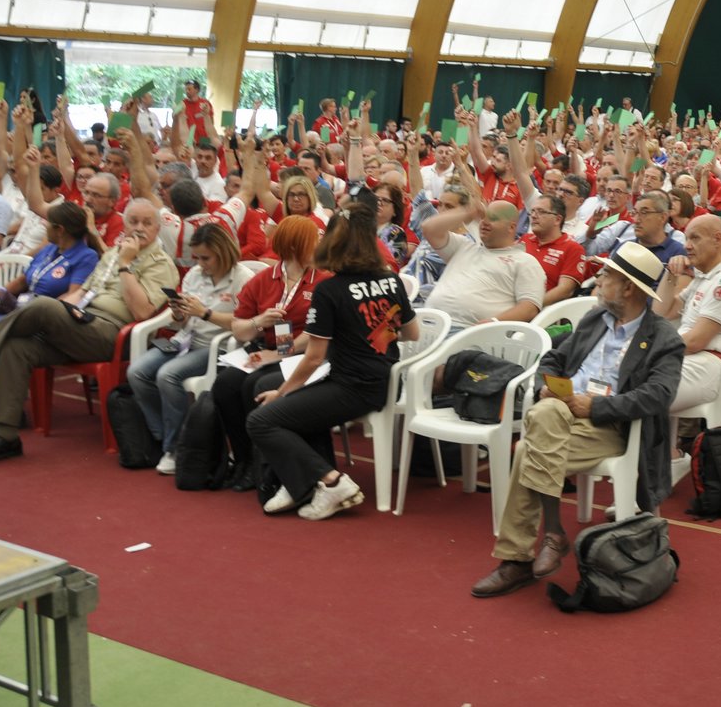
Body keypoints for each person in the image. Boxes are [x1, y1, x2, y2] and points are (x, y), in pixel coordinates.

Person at [470, 242, 685, 597]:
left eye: (606, 275)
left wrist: (595, 408)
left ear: (629, 287)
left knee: (527, 451)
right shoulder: (593, 319)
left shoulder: (663, 338)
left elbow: (658, 396)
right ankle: (548, 537)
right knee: (547, 411)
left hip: (611, 426)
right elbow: (553, 360)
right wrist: (543, 387)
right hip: (563, 412)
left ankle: (521, 556)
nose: (597, 281)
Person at [0, 199, 178, 468]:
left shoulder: (160, 263)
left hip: (112, 333)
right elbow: (82, 292)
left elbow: (142, 312)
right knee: (17, 345)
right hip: (81, 323)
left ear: (158, 228)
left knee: (41, 305)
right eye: (133, 222)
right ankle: (4, 437)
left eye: (147, 223)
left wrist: (125, 265)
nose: (139, 228)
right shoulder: (112, 254)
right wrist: (64, 313)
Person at [251, 193, 418, 520]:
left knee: (261, 420)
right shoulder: (390, 280)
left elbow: (314, 357)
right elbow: (412, 334)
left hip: (353, 387)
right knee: (293, 412)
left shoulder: (331, 290)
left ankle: (331, 481)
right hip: (385, 381)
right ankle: (308, 485)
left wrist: (282, 392)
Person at [0, 202, 101, 430]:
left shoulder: (86, 257)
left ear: (60, 229)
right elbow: (23, 280)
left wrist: (30, 308)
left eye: (48, 225)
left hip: (46, 318)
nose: (44, 229)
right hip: (19, 309)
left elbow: (73, 295)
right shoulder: (49, 250)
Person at [213, 215, 329, 491]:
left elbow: (317, 333)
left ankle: (261, 467)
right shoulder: (264, 279)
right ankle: (241, 459)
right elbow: (239, 329)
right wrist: (259, 321)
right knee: (224, 386)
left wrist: (278, 354)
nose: (318, 246)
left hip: (305, 355)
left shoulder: (323, 281)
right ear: (295, 247)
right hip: (269, 349)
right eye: (313, 241)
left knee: (254, 387)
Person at [128, 223, 253, 474]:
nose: (201, 263)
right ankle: (168, 437)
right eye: (197, 257)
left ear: (223, 252)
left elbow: (246, 324)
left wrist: (205, 313)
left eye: (206, 257)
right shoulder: (195, 274)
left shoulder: (243, 278)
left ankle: (175, 448)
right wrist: (178, 312)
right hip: (186, 339)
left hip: (217, 347)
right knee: (136, 372)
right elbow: (182, 320)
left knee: (168, 375)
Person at [656, 214, 721, 438]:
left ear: (717, 239)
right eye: (686, 238)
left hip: (708, 364)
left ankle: (657, 458)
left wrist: (650, 350)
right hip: (687, 358)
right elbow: (661, 313)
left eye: (695, 238)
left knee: (641, 389)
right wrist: (670, 275)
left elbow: (696, 341)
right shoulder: (704, 278)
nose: (687, 246)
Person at [421, 184, 544, 330]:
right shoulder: (464, 246)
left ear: (511, 227)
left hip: (469, 332)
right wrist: (469, 213)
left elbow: (530, 307)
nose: (484, 222)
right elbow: (429, 228)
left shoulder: (524, 261)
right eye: (483, 218)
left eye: (493, 219)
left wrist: (494, 321)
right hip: (427, 323)